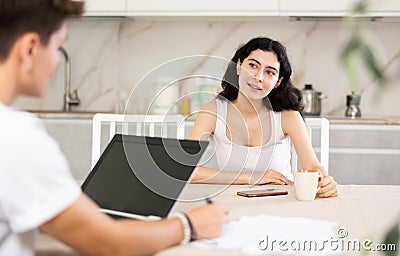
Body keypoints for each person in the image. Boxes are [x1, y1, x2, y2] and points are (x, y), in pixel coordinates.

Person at [0, 1, 227, 255]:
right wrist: (190, 224)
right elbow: (111, 244)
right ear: (30, 48)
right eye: (58, 47)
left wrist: (60, 200)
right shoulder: (16, 137)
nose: (56, 60)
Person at [189, 37, 338, 198]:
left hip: (281, 201)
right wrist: (252, 178)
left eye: (270, 72)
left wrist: (325, 182)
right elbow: (187, 170)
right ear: (238, 66)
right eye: (253, 65)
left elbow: (313, 167)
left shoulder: (288, 117)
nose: (258, 77)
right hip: (231, 201)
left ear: (277, 82)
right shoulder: (212, 113)